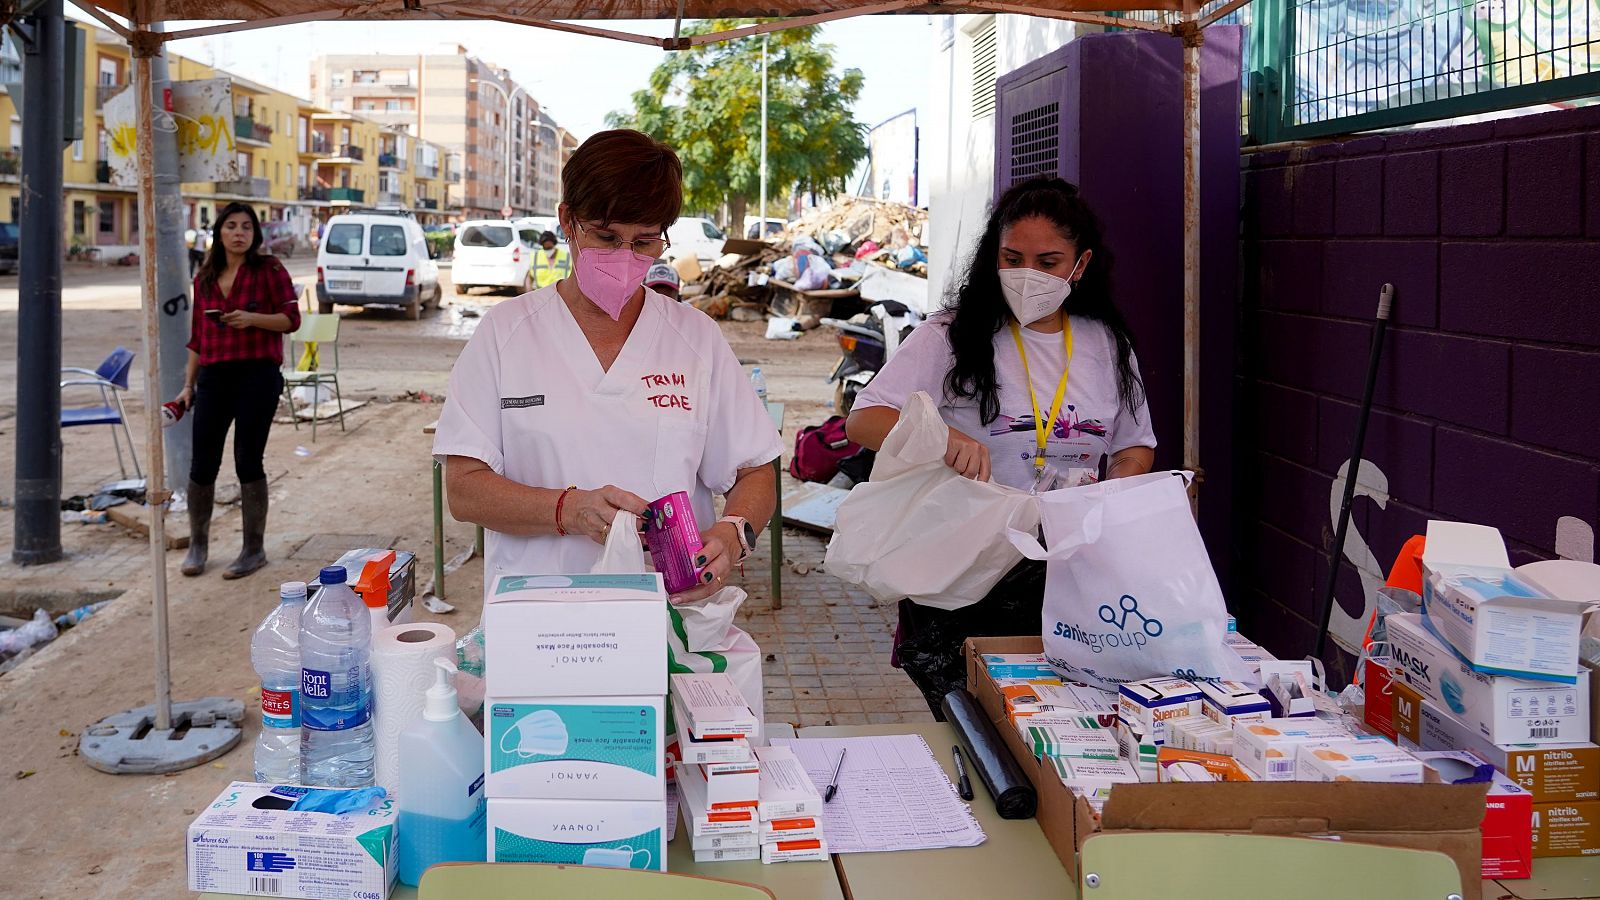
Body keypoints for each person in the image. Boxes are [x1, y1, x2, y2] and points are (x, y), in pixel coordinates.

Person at [845, 177, 1156, 712]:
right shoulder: (951, 334)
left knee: (1054, 717)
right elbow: (865, 420)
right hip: (966, 568)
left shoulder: (1106, 345)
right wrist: (942, 439)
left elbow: (1134, 446)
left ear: (1079, 266)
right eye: (1012, 257)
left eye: (1048, 261)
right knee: (974, 729)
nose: (1027, 276)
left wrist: (1112, 493)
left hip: (1066, 568)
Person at [433, 130, 782, 600]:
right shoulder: (506, 334)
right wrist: (567, 509)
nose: (624, 258)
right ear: (567, 221)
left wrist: (732, 534)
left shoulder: (694, 340)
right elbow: (464, 490)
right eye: (606, 236)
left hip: (672, 619)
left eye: (643, 242)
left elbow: (756, 470)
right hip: (539, 618)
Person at [173, 201, 301, 579]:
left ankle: (253, 549)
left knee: (248, 459)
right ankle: (198, 545)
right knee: (203, 463)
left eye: (246, 226)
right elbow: (197, 339)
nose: (239, 233)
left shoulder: (269, 269)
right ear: (219, 232)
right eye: (231, 226)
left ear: (255, 233)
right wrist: (187, 386)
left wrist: (251, 319)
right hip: (213, 377)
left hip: (258, 376)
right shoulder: (205, 278)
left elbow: (291, 319)